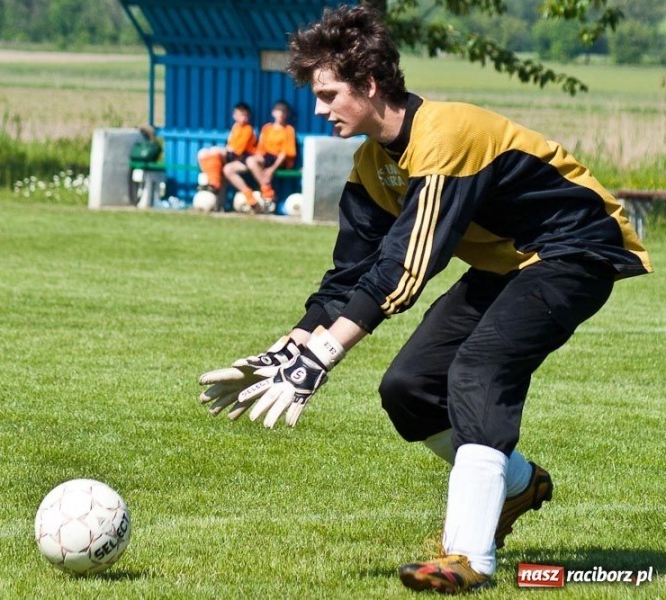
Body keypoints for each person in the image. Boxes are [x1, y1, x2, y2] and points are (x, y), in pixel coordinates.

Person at [198, 4, 651, 595]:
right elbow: (346, 278)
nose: (317, 108)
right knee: (409, 388)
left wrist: (325, 357)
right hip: (506, 263)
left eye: (329, 93)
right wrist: (289, 348)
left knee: (479, 369)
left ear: (369, 85)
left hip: (576, 250)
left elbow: (408, 268)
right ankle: (516, 485)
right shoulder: (371, 165)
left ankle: (468, 558)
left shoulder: (445, 136)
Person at [224, 100, 297, 213]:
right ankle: (250, 197)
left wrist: (272, 169)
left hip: (277, 160)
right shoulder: (266, 128)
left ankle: (268, 193)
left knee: (251, 161)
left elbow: (284, 153)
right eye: (278, 110)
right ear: (273, 112)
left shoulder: (288, 130)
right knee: (228, 169)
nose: (281, 114)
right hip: (262, 159)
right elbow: (260, 149)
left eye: (283, 111)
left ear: (287, 114)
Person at [197, 102, 257, 194]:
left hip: (240, 158)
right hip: (231, 155)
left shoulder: (248, 129)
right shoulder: (235, 127)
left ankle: (214, 184)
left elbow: (237, 150)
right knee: (202, 153)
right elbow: (230, 144)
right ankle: (211, 181)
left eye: (246, 115)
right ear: (234, 115)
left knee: (214, 151)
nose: (244, 118)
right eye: (241, 115)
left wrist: (227, 149)